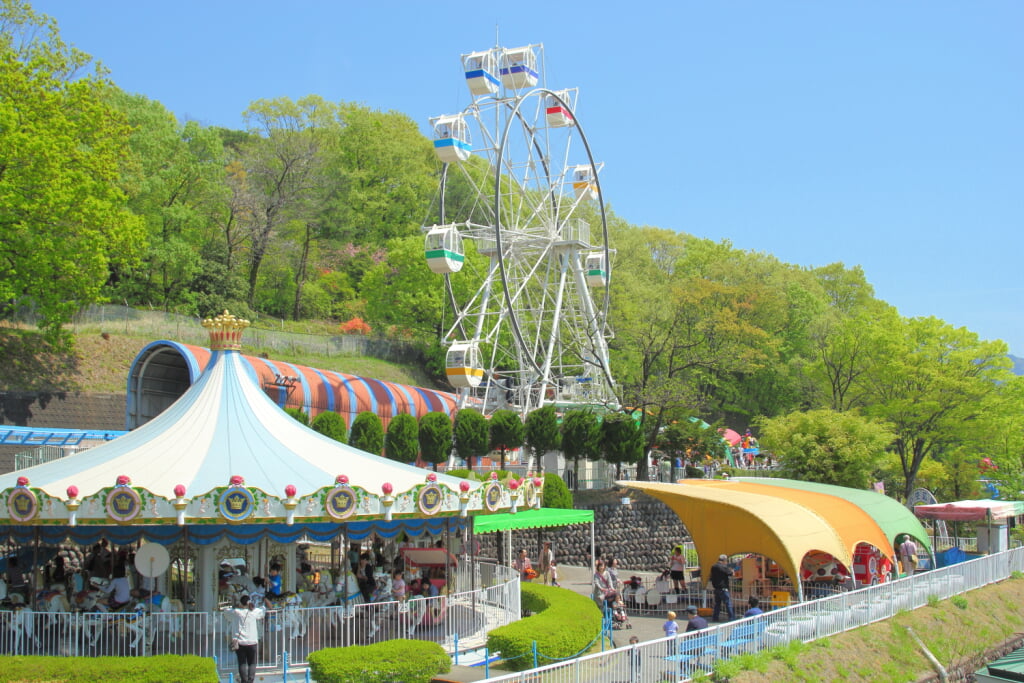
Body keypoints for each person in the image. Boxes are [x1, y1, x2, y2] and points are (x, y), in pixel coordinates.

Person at [228, 593, 265, 683]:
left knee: (242, 663)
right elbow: (263, 610)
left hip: (240, 642)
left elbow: (226, 611)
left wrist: (236, 606)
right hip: (252, 642)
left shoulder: (236, 612)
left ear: (241, 603)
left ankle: (244, 681)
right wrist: (253, 606)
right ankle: (250, 680)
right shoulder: (254, 612)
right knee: (252, 663)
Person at [710, 554, 735, 622]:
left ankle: (715, 618)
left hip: (716, 588)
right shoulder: (723, 567)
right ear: (724, 560)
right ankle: (731, 618)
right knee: (728, 604)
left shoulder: (713, 566)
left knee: (717, 604)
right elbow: (731, 573)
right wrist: (732, 571)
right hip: (723, 588)